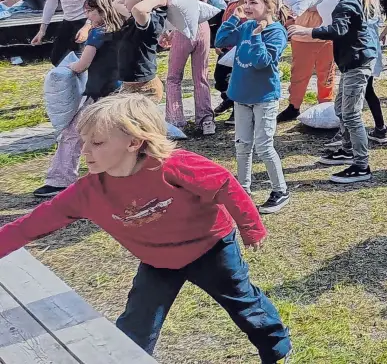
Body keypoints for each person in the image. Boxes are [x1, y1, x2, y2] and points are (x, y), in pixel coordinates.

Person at [11, 95, 295, 361]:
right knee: (138, 319)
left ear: (134, 143)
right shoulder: (87, 192)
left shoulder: (174, 166)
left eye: (96, 143)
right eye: (83, 142)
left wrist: (251, 227)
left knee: (243, 303)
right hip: (157, 261)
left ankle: (277, 350)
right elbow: (31, 225)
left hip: (211, 249)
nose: (84, 151)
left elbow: (224, 185)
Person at [288, 0, 380, 185]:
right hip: (355, 60)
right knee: (341, 108)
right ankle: (347, 149)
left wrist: (306, 31)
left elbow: (338, 29)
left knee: (351, 114)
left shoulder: (348, 2)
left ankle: (361, 165)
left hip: (357, 62)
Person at [34, 0, 126, 198]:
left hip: (100, 94)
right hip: (120, 91)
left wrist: (65, 70)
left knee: (72, 134)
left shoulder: (97, 34)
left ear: (103, 11)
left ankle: (60, 179)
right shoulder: (125, 31)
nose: (88, 17)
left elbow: (82, 65)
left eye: (91, 12)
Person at [214, 0, 290, 215]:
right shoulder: (246, 26)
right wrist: (233, 19)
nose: (246, 6)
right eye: (245, 1)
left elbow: (262, 62)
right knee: (242, 145)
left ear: (269, 6)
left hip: (264, 96)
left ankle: (280, 190)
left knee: (264, 146)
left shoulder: (276, 32)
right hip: (241, 95)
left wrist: (257, 36)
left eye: (253, 2)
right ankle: (243, 189)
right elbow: (220, 40)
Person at [277, 0, 337, 124]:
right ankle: (293, 106)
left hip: (325, 36)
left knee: (326, 74)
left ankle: (325, 105)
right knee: (298, 74)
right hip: (301, 36)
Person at [165, 0, 214, 136]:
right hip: (202, 28)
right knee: (201, 76)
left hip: (182, 30)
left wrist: (168, 31)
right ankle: (206, 120)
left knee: (173, 77)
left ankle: (176, 120)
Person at [117, 0, 170, 100]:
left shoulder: (151, 19)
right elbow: (115, 5)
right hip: (129, 85)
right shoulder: (135, 15)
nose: (123, 0)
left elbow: (139, 9)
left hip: (145, 88)